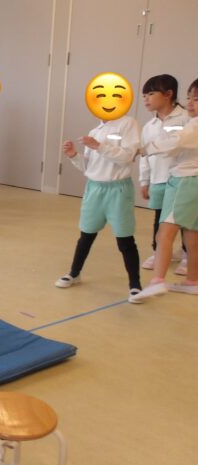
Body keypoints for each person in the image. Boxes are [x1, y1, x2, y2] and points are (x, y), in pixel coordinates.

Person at [56, 103, 142, 301]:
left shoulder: (128, 123)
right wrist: (73, 156)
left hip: (118, 189)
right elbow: (89, 167)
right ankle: (74, 273)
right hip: (94, 188)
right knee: (86, 234)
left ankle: (135, 285)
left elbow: (127, 156)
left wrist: (98, 146)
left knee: (124, 238)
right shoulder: (95, 130)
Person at [131, 79, 198, 301]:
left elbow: (174, 142)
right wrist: (145, 179)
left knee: (165, 233)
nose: (190, 103)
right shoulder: (187, 122)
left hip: (184, 181)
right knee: (192, 235)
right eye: (189, 98)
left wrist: (143, 149)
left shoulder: (193, 125)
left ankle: (157, 281)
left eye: (196, 99)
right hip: (190, 181)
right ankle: (193, 281)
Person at [138, 74, 190, 273]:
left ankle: (187, 254)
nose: (146, 99)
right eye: (144, 96)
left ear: (168, 94)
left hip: (181, 178)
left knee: (184, 219)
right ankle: (158, 251)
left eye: (151, 94)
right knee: (160, 218)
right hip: (158, 179)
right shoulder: (149, 126)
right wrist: (144, 181)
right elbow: (145, 155)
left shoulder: (186, 118)